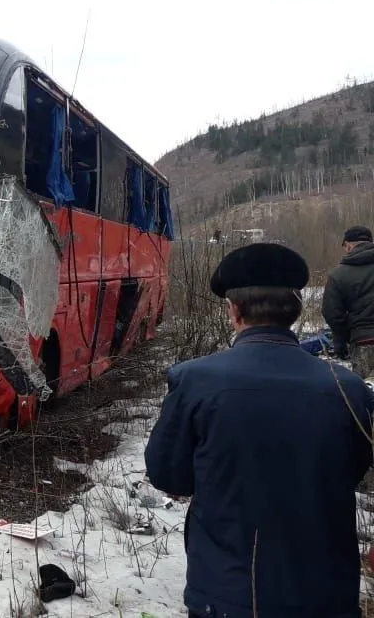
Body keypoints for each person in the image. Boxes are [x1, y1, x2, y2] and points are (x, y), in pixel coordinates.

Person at [144, 242, 374, 618]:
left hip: (228, 594)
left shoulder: (194, 381)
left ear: (233, 311)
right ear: (296, 312)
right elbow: (355, 469)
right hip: (327, 594)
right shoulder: (347, 387)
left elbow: (168, 474)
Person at [323, 225, 374, 378]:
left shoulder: (338, 275)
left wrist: (341, 340)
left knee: (366, 396)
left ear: (348, 245)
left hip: (364, 341)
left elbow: (332, 313)